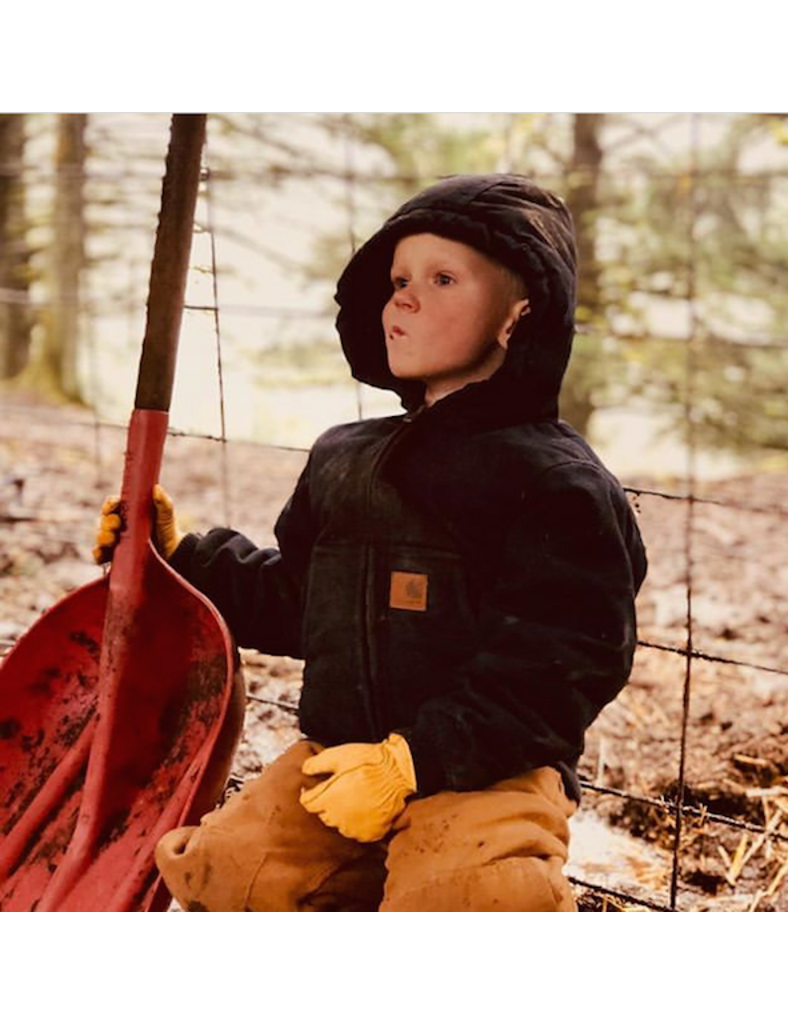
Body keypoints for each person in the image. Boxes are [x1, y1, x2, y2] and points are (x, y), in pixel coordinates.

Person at [94, 173, 649, 912]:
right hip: (339, 757)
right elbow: (301, 601)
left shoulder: (554, 483)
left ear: (518, 318)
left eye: (442, 278)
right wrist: (182, 558)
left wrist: (413, 762)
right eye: (397, 280)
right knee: (227, 872)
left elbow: (563, 665)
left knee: (471, 895)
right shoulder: (343, 457)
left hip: (486, 770)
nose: (405, 299)